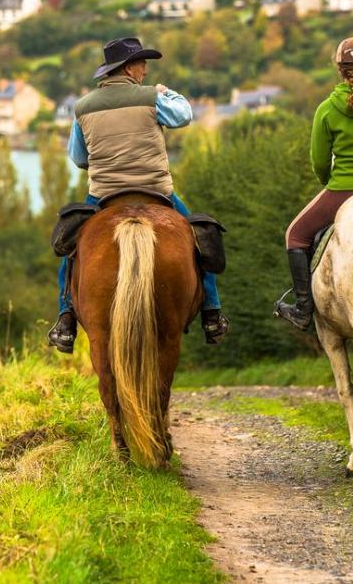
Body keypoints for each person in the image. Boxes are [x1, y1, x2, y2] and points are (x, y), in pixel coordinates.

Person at [48, 36, 230, 353]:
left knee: (72, 251)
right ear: (130, 67)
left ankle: (65, 319)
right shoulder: (151, 97)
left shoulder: (83, 107)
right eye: (143, 64)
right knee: (200, 238)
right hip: (156, 190)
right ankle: (211, 312)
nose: (145, 71)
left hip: (103, 195)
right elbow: (184, 115)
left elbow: (79, 158)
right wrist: (165, 92)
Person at [275, 36, 353, 330]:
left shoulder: (327, 110)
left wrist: (331, 184)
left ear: (338, 68)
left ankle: (303, 309)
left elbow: (320, 163)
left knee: (295, 235)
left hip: (344, 188)